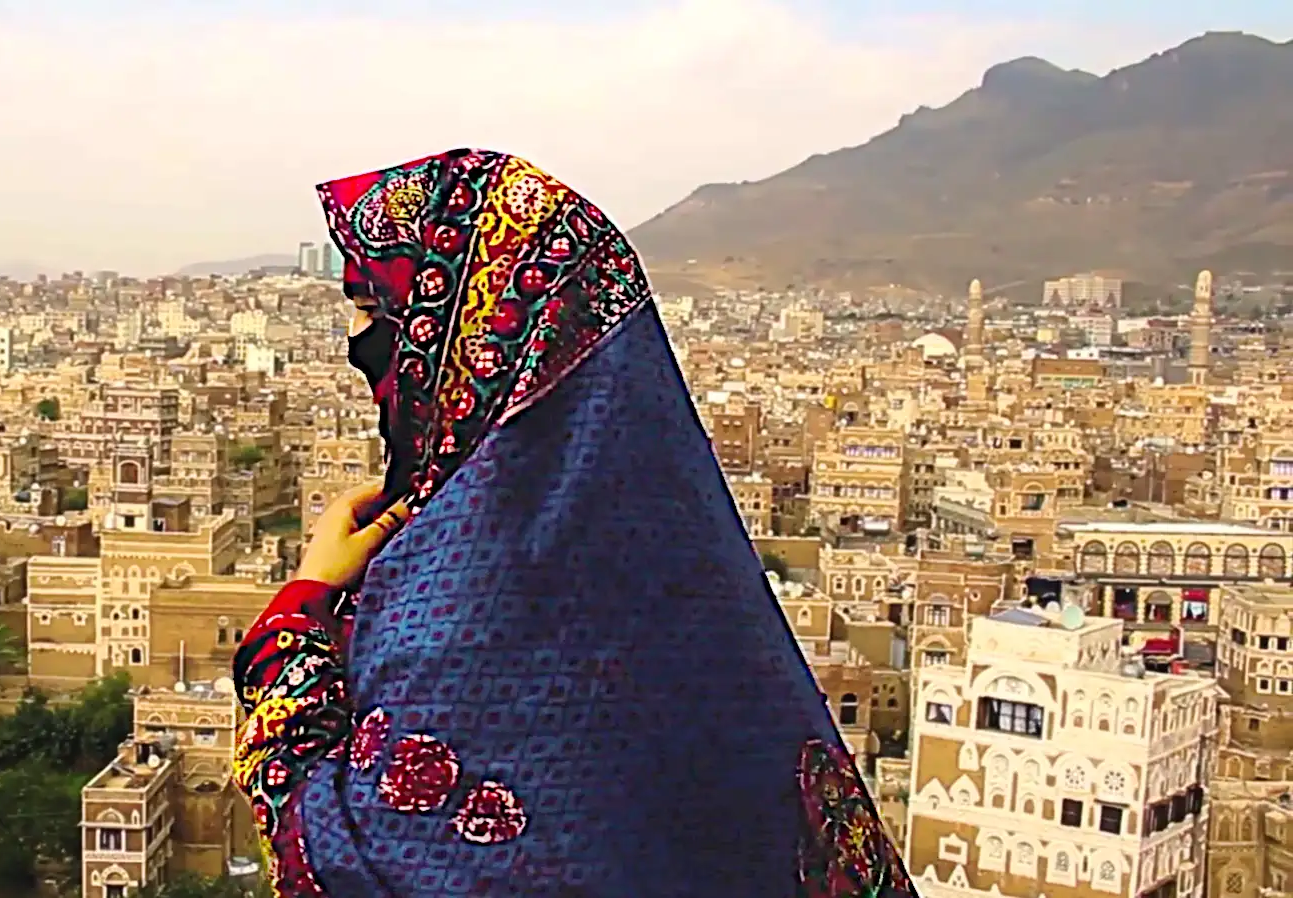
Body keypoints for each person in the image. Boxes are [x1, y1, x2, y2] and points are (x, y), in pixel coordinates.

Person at [232, 149, 914, 898]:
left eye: (371, 309)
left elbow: (340, 855)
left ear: (448, 338)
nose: (355, 340)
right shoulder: (682, 554)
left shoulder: (460, 598)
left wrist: (299, 613)